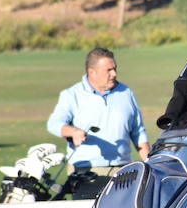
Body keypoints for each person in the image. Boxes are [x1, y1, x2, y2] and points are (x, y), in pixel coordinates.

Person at [46, 47, 149, 199]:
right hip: (88, 171)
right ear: (92, 72)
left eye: (115, 69)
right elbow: (54, 124)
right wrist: (73, 132)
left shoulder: (126, 93)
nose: (114, 74)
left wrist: (150, 163)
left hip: (123, 170)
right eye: (108, 70)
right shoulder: (72, 95)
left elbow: (138, 132)